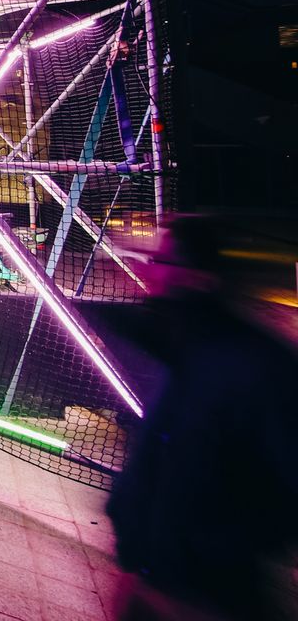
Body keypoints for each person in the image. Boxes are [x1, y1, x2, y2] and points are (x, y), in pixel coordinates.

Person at [107, 215, 298, 620]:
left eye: (162, 261)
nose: (146, 269)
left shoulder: (251, 366)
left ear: (198, 278)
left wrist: (216, 547)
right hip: (154, 570)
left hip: (203, 590)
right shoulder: (186, 342)